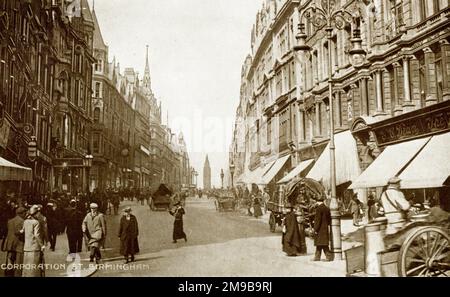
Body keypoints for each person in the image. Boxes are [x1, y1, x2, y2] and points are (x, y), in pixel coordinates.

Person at [22, 205, 46, 277]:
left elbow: (22, 231)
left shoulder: (25, 221)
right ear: (36, 213)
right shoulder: (36, 222)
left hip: (26, 247)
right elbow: (37, 235)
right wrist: (42, 245)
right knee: (35, 268)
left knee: (27, 267)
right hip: (34, 247)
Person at [3, 207, 27, 277]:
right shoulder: (22, 221)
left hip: (10, 244)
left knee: (10, 260)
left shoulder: (10, 221)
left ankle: (8, 274)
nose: (25, 214)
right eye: (24, 213)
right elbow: (20, 233)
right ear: (21, 213)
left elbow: (6, 232)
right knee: (18, 262)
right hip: (19, 244)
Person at [312, 195, 333, 262]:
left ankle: (328, 257)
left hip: (320, 229)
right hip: (325, 228)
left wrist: (315, 229)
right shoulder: (327, 208)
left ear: (317, 201)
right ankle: (317, 257)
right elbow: (329, 219)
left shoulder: (318, 209)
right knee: (321, 243)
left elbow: (318, 220)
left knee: (322, 243)